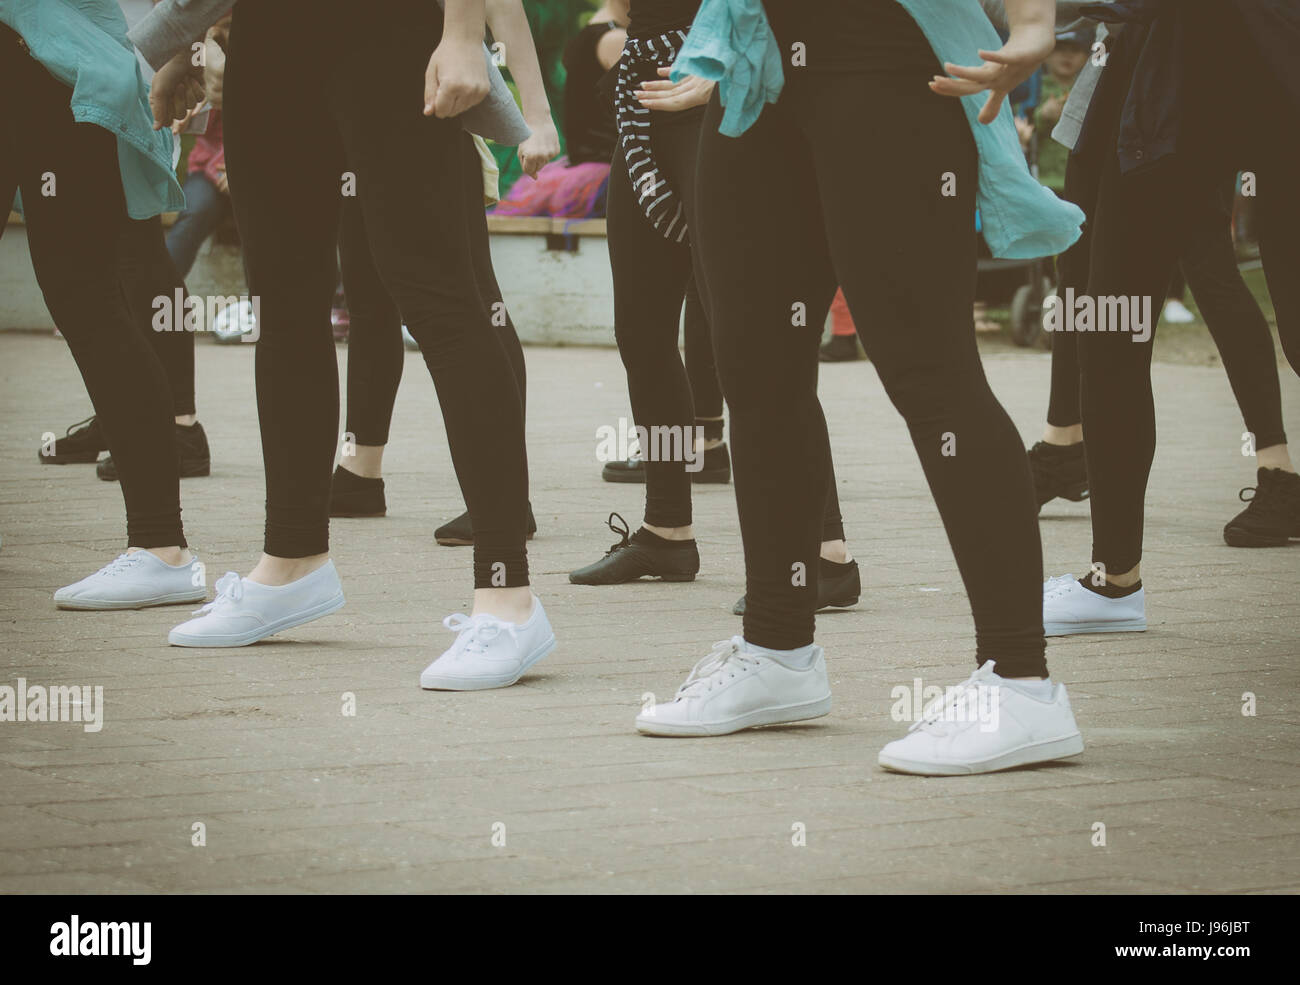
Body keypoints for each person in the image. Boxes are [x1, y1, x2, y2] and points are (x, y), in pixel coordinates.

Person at [635, 0, 1086, 778]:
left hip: (884, 56)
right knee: (755, 366)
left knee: (929, 369)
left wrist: (1034, 22)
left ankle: (1022, 681)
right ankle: (779, 650)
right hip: (760, 62)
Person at [138, 0, 556, 693]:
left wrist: (458, 33)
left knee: (438, 296)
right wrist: (183, 45)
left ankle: (508, 598)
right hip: (268, 33)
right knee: (283, 300)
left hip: (390, 27)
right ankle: (292, 561)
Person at [566, 0, 861, 619]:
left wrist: (729, 59)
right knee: (641, 333)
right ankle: (668, 532)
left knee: (752, 342)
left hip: (721, 97)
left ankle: (827, 555)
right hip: (644, 98)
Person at [1038, 1, 1300, 637]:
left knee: (1116, 319)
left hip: (1204, 79)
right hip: (1165, 87)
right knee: (1107, 319)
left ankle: (1114, 574)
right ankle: (1110, 569)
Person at [327, 0, 560, 540]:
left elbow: (502, 5)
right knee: (369, 297)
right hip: (353, 109)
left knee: (468, 301)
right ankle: (360, 469)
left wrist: (538, 118)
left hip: (427, 108)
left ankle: (505, 496)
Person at [2, 0, 205, 612]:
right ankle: (160, 546)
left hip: (51, 67)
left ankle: (160, 546)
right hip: (62, 65)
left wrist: (184, 48)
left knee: (90, 302)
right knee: (91, 302)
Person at [35, 0, 213, 481]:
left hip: (134, 65)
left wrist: (187, 56)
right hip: (71, 64)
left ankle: (181, 426)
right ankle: (120, 416)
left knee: (137, 249)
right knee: (103, 258)